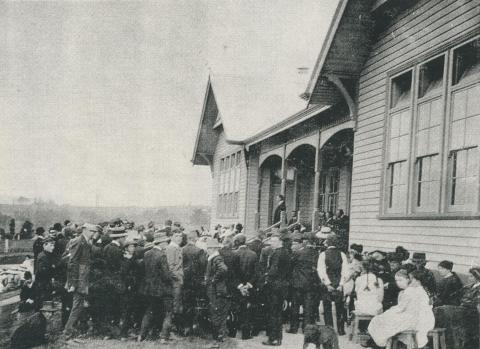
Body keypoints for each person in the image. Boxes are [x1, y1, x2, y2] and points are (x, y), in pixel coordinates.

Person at [368, 269, 435, 348]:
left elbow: (401, 308)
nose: (410, 281)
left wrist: (389, 311)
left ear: (417, 281)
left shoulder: (411, 291)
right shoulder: (423, 290)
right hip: (426, 320)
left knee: (381, 319)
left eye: (411, 279)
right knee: (388, 319)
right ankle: (379, 342)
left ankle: (379, 343)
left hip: (416, 319)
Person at [62, 223, 101, 341]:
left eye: (94, 232)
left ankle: (71, 330)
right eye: (91, 231)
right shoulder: (78, 241)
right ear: (84, 230)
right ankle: (67, 332)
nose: (94, 234)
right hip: (79, 280)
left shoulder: (86, 242)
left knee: (79, 306)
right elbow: (72, 263)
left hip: (83, 279)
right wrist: (73, 283)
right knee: (77, 306)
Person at [138, 232, 174, 343]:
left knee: (150, 311)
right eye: (166, 242)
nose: (167, 244)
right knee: (168, 312)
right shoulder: (162, 255)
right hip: (162, 289)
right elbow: (166, 275)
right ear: (161, 243)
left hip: (149, 288)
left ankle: (141, 336)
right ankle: (164, 337)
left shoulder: (147, 253)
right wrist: (172, 276)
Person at [433, 266, 480, 349]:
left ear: (477, 277)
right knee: (441, 309)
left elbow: (476, 303)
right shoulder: (468, 287)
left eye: (471, 276)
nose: (469, 278)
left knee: (445, 310)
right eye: (469, 276)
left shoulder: (478, 289)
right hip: (462, 310)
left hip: (471, 312)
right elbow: (454, 296)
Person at [262, 232, 291, 346]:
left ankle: (272, 338)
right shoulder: (286, 252)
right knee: (278, 313)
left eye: (273, 241)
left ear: (279, 242)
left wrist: (266, 276)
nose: (271, 243)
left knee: (273, 313)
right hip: (283, 285)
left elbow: (273, 270)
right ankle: (278, 338)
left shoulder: (277, 254)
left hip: (274, 286)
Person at [288, 232, 321, 334]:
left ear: (306, 241)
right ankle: (305, 329)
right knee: (308, 307)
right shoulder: (317, 254)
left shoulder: (298, 252)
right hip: (310, 284)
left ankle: (293, 328)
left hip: (297, 283)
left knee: (295, 306)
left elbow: (291, 265)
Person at [317, 234, 348, 335]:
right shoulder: (342, 254)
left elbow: (321, 270)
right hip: (339, 282)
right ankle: (340, 329)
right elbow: (345, 271)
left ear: (328, 243)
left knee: (327, 307)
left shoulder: (323, 254)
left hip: (328, 283)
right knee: (340, 307)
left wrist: (327, 284)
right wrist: (341, 284)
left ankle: (329, 328)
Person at [103, 226, 129, 336]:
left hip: (107, 280)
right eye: (124, 238)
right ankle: (120, 333)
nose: (125, 240)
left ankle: (108, 333)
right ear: (120, 238)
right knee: (120, 307)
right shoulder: (118, 251)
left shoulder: (106, 247)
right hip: (118, 281)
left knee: (109, 307)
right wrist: (128, 260)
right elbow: (122, 269)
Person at [182, 230, 207, 336]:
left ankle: (186, 327)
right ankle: (196, 326)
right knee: (196, 304)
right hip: (196, 282)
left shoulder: (181, 250)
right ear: (195, 238)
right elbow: (203, 266)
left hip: (184, 281)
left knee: (186, 304)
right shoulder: (199, 251)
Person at [205, 238, 229, 347]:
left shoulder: (216, 258)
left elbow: (223, 269)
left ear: (213, 248)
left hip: (215, 290)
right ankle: (220, 335)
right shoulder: (214, 258)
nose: (207, 250)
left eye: (209, 248)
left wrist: (213, 280)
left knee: (216, 312)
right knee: (218, 312)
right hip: (217, 290)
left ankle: (218, 337)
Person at [233, 233, 257, 340]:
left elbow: (233, 273)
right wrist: (248, 285)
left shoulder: (234, 254)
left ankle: (233, 332)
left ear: (237, 242)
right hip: (249, 286)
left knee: (236, 308)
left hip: (237, 287)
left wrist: (240, 286)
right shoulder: (253, 254)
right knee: (247, 309)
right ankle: (246, 334)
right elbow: (256, 273)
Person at [166, 231, 184, 333]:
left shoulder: (177, 248)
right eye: (176, 236)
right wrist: (178, 278)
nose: (179, 238)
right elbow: (170, 267)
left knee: (177, 305)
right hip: (174, 282)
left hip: (177, 280)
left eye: (180, 236)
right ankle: (170, 331)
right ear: (171, 237)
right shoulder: (171, 248)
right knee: (174, 306)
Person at [33, 237, 58, 311]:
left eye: (53, 245)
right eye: (51, 245)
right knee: (42, 304)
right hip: (43, 284)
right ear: (44, 245)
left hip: (44, 284)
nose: (53, 247)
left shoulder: (46, 255)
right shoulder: (43, 256)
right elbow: (43, 271)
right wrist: (52, 269)